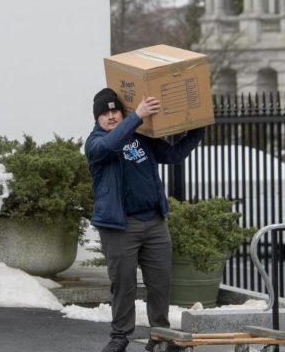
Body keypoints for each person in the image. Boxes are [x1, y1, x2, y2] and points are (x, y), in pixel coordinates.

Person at [85, 87, 205, 352]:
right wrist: (136, 116)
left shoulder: (140, 136)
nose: (112, 116)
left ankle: (159, 334)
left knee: (161, 283)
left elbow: (173, 155)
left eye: (115, 110)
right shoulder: (95, 144)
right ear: (97, 118)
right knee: (124, 284)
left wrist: (198, 128)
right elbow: (112, 143)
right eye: (105, 113)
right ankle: (119, 337)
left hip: (154, 222)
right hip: (120, 226)